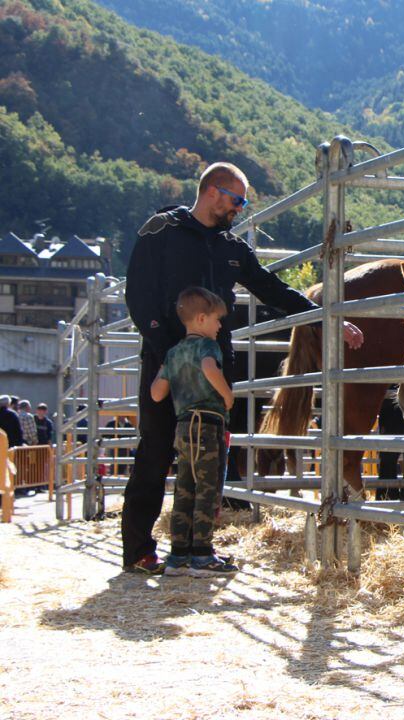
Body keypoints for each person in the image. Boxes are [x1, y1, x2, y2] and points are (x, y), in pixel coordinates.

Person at [122, 162, 364, 574]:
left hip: (215, 367)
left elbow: (272, 289)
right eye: (237, 200)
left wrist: (325, 317)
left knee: (211, 460)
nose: (240, 208)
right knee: (157, 449)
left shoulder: (232, 248)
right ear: (213, 192)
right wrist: (169, 349)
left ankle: (198, 550)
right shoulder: (162, 232)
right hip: (169, 362)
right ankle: (139, 550)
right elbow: (138, 296)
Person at [151, 287, 237, 576]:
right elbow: (210, 368)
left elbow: (156, 393)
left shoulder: (173, 353)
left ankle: (178, 556)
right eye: (216, 320)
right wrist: (227, 396)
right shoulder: (207, 347)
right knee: (207, 489)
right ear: (201, 319)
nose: (219, 326)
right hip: (207, 424)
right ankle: (202, 554)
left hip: (183, 426)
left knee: (184, 489)